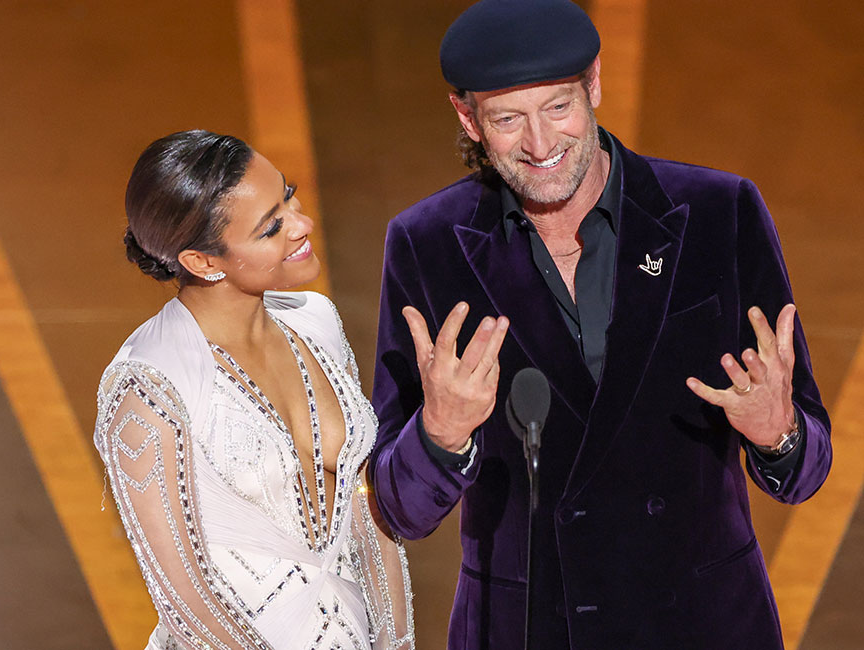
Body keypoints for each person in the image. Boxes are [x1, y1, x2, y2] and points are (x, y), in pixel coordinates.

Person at [368, 1, 831, 648]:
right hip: (526, 630)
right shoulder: (427, 245)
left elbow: (807, 469)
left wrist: (778, 436)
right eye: (507, 119)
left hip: (704, 626)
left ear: (594, 86)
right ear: (467, 119)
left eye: (558, 107)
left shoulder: (719, 213)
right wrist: (440, 435)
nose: (539, 145)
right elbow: (400, 511)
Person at [94, 130, 414, 649]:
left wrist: (396, 644)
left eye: (288, 196)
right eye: (271, 227)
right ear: (203, 262)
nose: (302, 225)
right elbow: (186, 600)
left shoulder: (316, 322)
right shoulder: (147, 385)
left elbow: (364, 512)